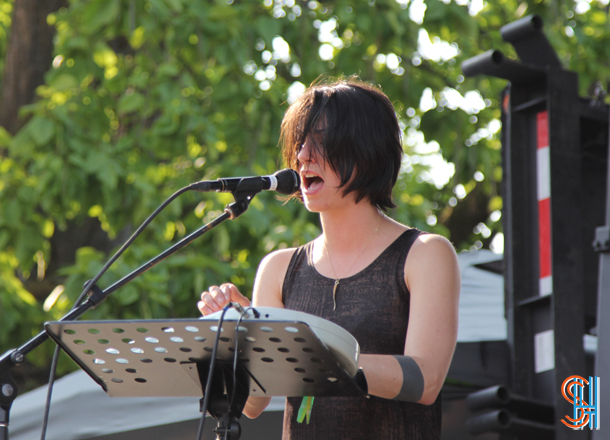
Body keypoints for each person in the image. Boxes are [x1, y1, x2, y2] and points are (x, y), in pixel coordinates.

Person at [198, 77, 460, 439]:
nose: (303, 156)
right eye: (299, 143)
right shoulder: (278, 268)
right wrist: (240, 337)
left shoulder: (424, 254)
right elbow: (252, 405)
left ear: (366, 150)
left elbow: (425, 380)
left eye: (320, 142)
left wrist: (307, 353)